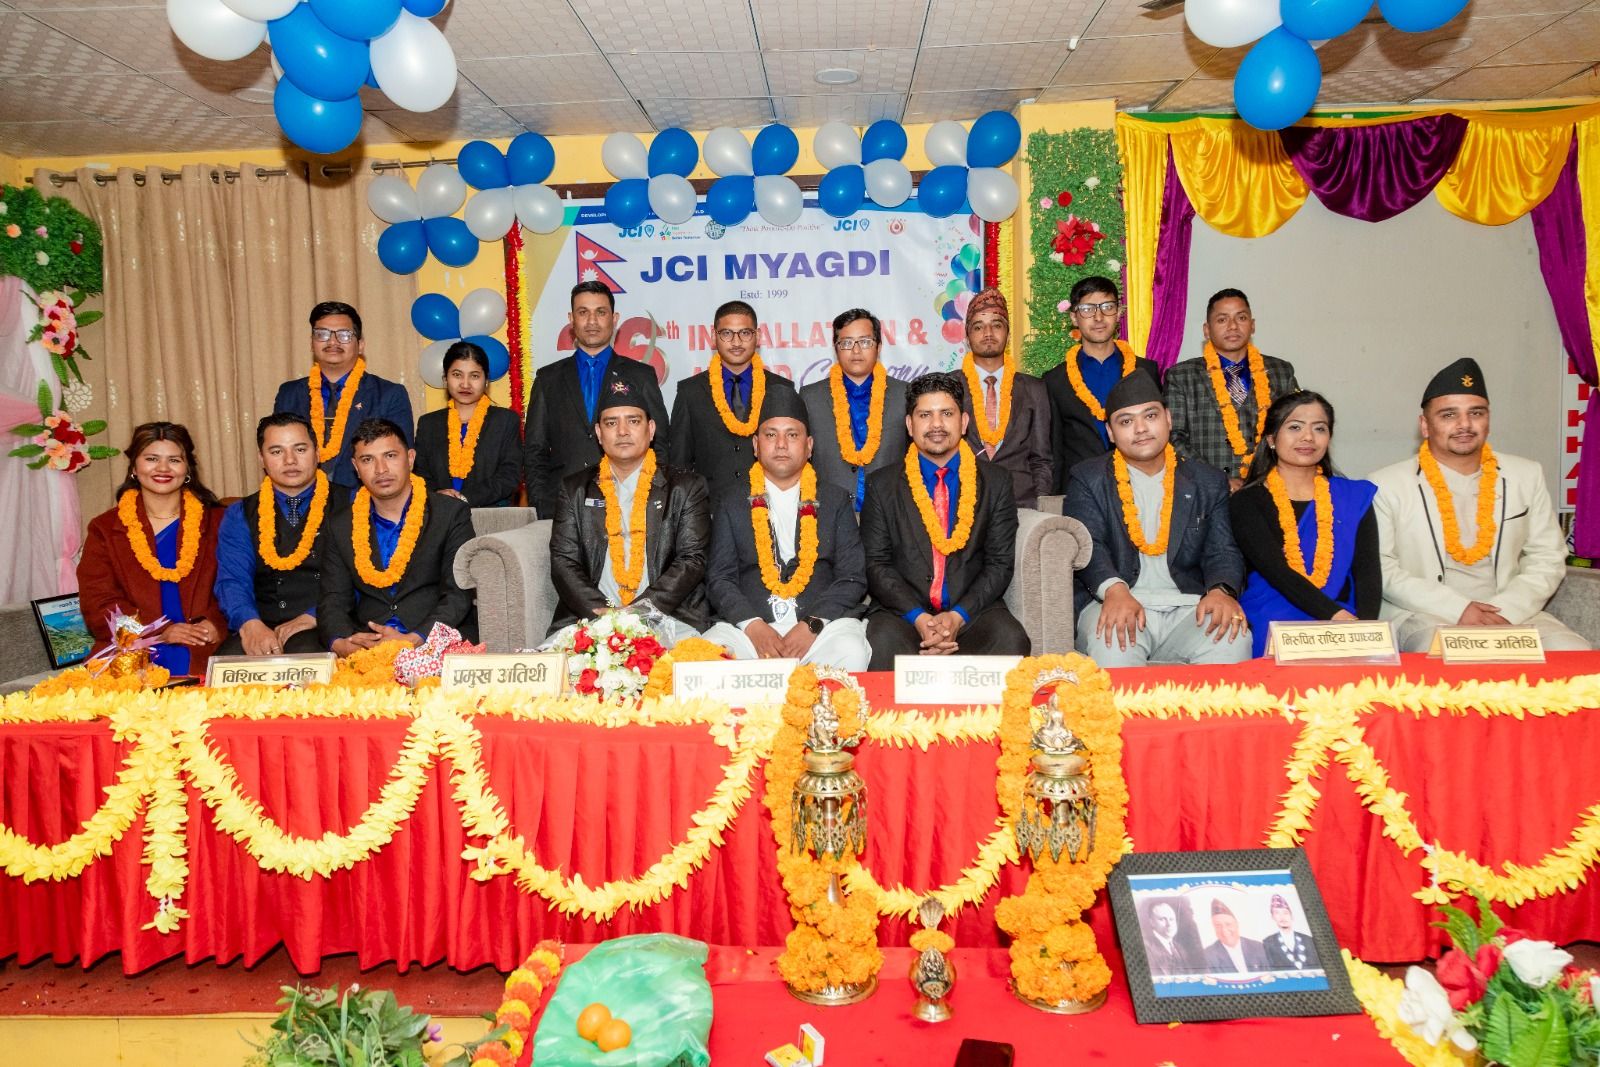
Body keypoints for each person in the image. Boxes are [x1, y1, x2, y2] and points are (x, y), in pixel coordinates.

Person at [1370, 358, 1588, 652]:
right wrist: (1459, 609)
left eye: (1476, 413)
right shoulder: (1387, 484)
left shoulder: (1525, 475)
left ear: (1488, 419)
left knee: (1574, 653)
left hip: (1510, 612)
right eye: (1449, 415)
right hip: (1426, 613)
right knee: (1441, 651)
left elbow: (1547, 555)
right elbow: (1382, 567)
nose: (1464, 425)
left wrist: (1507, 610)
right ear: (1425, 425)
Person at [1064, 371, 1251, 667]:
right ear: (1110, 433)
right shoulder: (1089, 478)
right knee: (1115, 643)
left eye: (1150, 416)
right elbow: (1089, 545)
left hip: (1189, 607)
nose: (1140, 429)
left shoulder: (1207, 481)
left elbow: (1223, 549)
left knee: (1232, 637)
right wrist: (1114, 589)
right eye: (1126, 421)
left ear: (1168, 419)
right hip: (1115, 600)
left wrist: (1221, 591)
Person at [860, 371, 1030, 670]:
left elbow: (999, 563)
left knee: (1012, 640)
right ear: (910, 425)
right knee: (881, 643)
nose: (936, 424)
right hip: (903, 614)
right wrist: (919, 618)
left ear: (963, 422)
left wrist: (958, 616)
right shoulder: (882, 484)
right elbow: (876, 564)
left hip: (972, 613)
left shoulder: (996, 481)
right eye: (925, 415)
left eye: (946, 414)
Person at [702, 389, 871, 670]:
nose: (781, 444)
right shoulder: (731, 501)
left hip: (821, 629)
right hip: (749, 629)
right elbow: (720, 578)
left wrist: (812, 625)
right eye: (771, 435)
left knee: (851, 652)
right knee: (706, 656)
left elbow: (852, 578)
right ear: (756, 445)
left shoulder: (835, 499)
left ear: (809, 445)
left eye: (792, 435)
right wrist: (753, 626)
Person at [547, 377, 709, 646]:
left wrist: (637, 614)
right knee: (555, 668)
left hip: (667, 618)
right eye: (611, 423)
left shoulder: (686, 487)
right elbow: (564, 562)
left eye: (633, 421)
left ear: (651, 429)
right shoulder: (575, 489)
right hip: (591, 618)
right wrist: (607, 616)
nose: (622, 431)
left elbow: (692, 560)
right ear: (599, 433)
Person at [1229, 391, 1381, 657]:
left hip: (1346, 613)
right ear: (1271, 438)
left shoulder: (1354, 497)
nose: (1308, 437)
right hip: (1275, 611)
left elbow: (1367, 573)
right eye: (1295, 427)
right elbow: (1277, 572)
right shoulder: (1247, 501)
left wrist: (1365, 629)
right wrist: (1335, 617)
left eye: (1319, 428)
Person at [78, 422, 227, 675]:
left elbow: (239, 584)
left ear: (187, 468)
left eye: (174, 460)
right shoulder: (106, 528)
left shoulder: (219, 522)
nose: (163, 468)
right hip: (132, 648)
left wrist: (216, 623)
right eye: (151, 459)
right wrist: (157, 632)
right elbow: (98, 602)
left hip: (205, 645)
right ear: (134, 467)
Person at [318, 418, 477, 654]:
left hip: (434, 642)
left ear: (410, 458)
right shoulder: (340, 525)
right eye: (367, 460)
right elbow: (333, 599)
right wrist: (342, 644)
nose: (381, 469)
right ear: (356, 467)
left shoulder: (450, 514)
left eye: (390, 456)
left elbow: (458, 594)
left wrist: (413, 640)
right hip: (368, 645)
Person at [522, 281, 669, 518]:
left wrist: (652, 499)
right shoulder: (548, 379)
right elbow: (534, 450)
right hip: (562, 505)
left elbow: (659, 442)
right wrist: (542, 503)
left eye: (600, 312)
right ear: (571, 319)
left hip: (629, 503)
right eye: (583, 312)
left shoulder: (640, 375)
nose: (592, 321)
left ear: (614, 318)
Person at [215, 413, 338, 656]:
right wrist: (249, 623)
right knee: (226, 665)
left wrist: (314, 615)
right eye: (276, 451)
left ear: (317, 453)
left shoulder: (352, 504)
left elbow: (361, 581)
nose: (290, 460)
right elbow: (232, 580)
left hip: (326, 622)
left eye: (300, 449)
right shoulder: (240, 513)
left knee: (306, 659)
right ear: (262, 458)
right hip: (262, 623)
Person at [273, 301, 414, 491]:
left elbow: (400, 462)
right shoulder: (289, 394)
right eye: (322, 334)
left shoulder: (389, 394)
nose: (333, 342)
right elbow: (277, 454)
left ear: (360, 345)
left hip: (364, 500)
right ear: (312, 343)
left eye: (344, 335)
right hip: (301, 499)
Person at [1040, 276, 1162, 492]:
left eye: (1107, 307)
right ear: (1074, 317)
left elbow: (1159, 434)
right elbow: (1055, 450)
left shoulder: (1145, 371)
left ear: (1119, 313)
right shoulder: (1055, 380)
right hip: (1080, 489)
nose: (1098, 317)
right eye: (1087, 309)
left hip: (1140, 484)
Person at [1165, 289, 1298, 487]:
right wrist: (1218, 480)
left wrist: (1268, 476)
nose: (1233, 326)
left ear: (1252, 325)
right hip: (1205, 489)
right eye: (1222, 319)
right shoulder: (1181, 375)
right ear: (1206, 330)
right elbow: (1173, 437)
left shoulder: (1280, 371)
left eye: (1241, 318)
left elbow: (1294, 429)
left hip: (1270, 486)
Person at [670, 300, 800, 502]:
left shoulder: (780, 388)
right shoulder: (690, 391)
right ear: (714, 337)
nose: (736, 342)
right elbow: (679, 463)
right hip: (709, 508)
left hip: (769, 504)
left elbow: (796, 454)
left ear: (757, 336)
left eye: (745, 333)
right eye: (727, 333)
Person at [800, 308, 910, 511]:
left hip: (890, 511)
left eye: (865, 342)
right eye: (847, 343)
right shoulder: (810, 397)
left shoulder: (904, 395)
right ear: (836, 349)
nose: (856, 351)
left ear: (879, 347)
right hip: (830, 511)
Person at [959, 288, 1052, 507]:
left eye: (997, 325)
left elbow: (1042, 459)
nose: (988, 332)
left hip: (1020, 504)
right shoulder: (950, 387)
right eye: (978, 327)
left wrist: (1039, 506)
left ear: (1008, 335)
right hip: (963, 503)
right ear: (967, 338)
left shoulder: (1034, 389)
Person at [414, 341, 521, 507]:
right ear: (445, 379)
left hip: (490, 514)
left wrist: (463, 499)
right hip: (440, 514)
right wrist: (438, 496)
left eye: (474, 376)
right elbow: (420, 476)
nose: (465, 384)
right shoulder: (428, 424)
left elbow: (509, 477)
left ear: (486, 381)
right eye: (457, 375)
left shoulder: (505, 421)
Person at [1205, 897, 1269, 974]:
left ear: (1237, 925)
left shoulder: (1258, 947)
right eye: (1218, 926)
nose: (1224, 930)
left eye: (1228, 924)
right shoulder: (1208, 956)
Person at [1143, 900, 1203, 977]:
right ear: (1152, 922)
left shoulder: (1179, 948)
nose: (1169, 924)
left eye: (1171, 919)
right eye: (1162, 919)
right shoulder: (1146, 948)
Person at [1261, 894, 1320, 971]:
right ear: (1273, 917)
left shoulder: (1308, 940)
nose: (1282, 917)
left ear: (1291, 915)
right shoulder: (1268, 942)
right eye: (1277, 913)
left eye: (1285, 913)